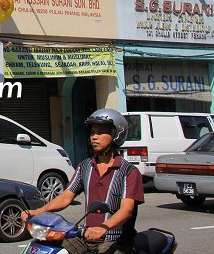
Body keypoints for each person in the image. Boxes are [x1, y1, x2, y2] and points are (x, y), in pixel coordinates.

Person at [20, 108, 144, 254]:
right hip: (85, 236)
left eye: (100, 132)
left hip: (117, 239)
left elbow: (126, 210)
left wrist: (103, 228)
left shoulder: (128, 171)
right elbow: (66, 197)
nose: (94, 137)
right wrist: (38, 211)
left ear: (116, 135)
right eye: (92, 133)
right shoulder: (85, 166)